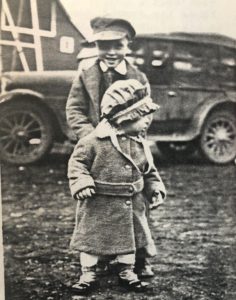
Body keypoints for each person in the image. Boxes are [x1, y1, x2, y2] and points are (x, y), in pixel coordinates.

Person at [66, 16, 154, 277]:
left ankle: (140, 257)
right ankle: (97, 255)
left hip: (128, 150)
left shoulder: (138, 76)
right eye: (105, 46)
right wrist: (92, 137)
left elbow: (146, 113)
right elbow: (74, 109)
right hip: (98, 154)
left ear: (128, 44)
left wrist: (133, 136)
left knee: (136, 204)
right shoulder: (86, 75)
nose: (112, 52)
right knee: (95, 206)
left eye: (118, 45)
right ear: (96, 46)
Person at [68, 80, 166, 295]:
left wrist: (154, 188)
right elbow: (78, 164)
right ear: (125, 118)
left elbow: (148, 170)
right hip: (99, 203)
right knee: (92, 241)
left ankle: (127, 271)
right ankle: (88, 273)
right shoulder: (93, 141)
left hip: (131, 204)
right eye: (143, 115)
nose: (148, 120)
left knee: (128, 242)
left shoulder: (139, 142)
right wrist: (82, 182)